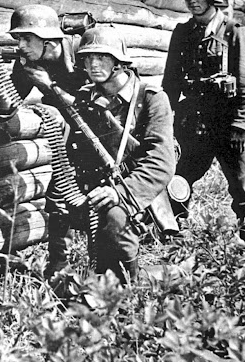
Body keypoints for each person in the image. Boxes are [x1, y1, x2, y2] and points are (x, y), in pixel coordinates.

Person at [67, 25, 176, 282]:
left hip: (141, 188)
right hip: (99, 184)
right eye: (88, 58)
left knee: (115, 218)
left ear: (118, 62)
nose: (93, 64)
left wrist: (120, 193)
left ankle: (131, 284)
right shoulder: (85, 98)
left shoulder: (151, 99)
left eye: (102, 57)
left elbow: (161, 161)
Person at [162, 0, 245, 241]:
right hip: (194, 123)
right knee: (178, 179)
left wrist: (243, 124)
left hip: (231, 125)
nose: (193, 0)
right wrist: (161, 119)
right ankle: (172, 233)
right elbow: (170, 83)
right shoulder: (182, 34)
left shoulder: (236, 34)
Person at [8, 4, 87, 276]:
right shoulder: (29, 62)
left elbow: (98, 108)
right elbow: (9, 102)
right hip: (72, 140)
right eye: (17, 39)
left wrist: (49, 86)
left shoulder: (84, 52)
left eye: (26, 39)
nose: (21, 46)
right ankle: (59, 269)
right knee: (60, 195)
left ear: (48, 39)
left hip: (104, 136)